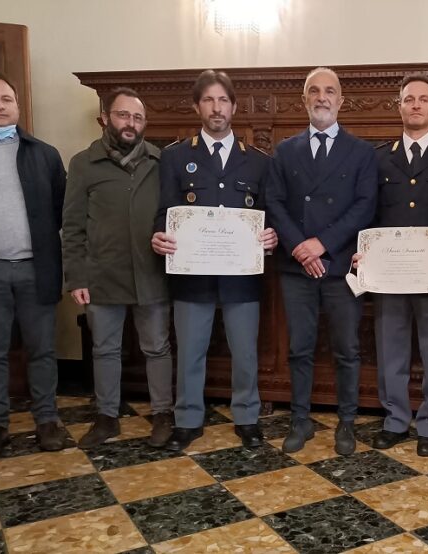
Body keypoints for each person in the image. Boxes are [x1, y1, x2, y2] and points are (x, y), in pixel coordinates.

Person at [151, 70, 278, 451]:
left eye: (223, 100)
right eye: (209, 100)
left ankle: (247, 417)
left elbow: (269, 215)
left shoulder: (257, 161)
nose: (216, 107)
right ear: (197, 107)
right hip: (192, 274)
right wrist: (159, 235)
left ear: (234, 107)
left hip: (242, 277)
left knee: (245, 352)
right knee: (190, 351)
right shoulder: (175, 157)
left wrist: (272, 237)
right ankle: (187, 419)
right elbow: (165, 211)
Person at [266, 67, 377, 456]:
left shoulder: (361, 152)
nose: (322, 97)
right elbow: (274, 202)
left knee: (347, 348)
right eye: (314, 91)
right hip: (296, 267)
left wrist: (322, 244)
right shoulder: (285, 150)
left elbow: (365, 206)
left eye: (329, 91)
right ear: (304, 100)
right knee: (299, 347)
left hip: (340, 266)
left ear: (340, 101)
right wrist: (301, 247)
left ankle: (347, 421)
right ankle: (300, 419)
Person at [63, 87, 174, 449]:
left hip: (151, 273)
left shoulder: (159, 162)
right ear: (105, 118)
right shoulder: (83, 164)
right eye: (123, 115)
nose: (131, 123)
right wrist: (76, 277)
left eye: (138, 117)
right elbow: (72, 226)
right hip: (102, 275)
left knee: (157, 347)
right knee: (105, 350)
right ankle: (106, 418)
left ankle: (162, 414)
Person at [361, 75, 428, 457]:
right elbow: (367, 212)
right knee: (391, 350)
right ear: (399, 107)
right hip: (389, 276)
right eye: (408, 99)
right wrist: (362, 250)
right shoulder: (377, 158)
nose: (416, 105)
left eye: (423, 99)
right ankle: (395, 419)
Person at [0, 72, 67, 458]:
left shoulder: (44, 154)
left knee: (42, 350)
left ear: (18, 106)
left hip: (36, 267)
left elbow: (61, 209)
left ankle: (47, 420)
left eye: (6, 99)